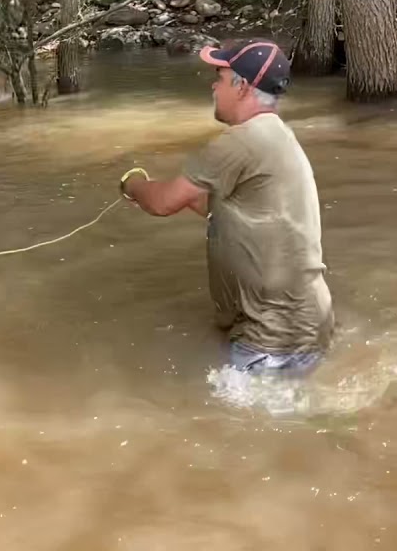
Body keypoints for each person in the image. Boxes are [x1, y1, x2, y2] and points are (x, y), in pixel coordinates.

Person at [118, 39, 334, 376]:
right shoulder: (277, 135)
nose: (213, 87)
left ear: (242, 86)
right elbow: (232, 209)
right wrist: (182, 196)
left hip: (270, 339)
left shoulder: (239, 141)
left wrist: (131, 183)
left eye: (219, 78)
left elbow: (161, 204)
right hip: (308, 324)